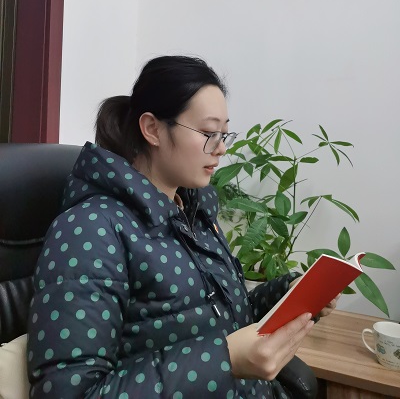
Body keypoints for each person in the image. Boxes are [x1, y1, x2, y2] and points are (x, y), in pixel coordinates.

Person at [27, 56, 338, 398]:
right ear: (152, 129)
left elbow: (221, 318)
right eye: (208, 133)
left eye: (224, 134)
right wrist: (225, 360)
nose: (221, 149)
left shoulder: (194, 213)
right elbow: (69, 393)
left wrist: (288, 294)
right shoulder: (90, 228)